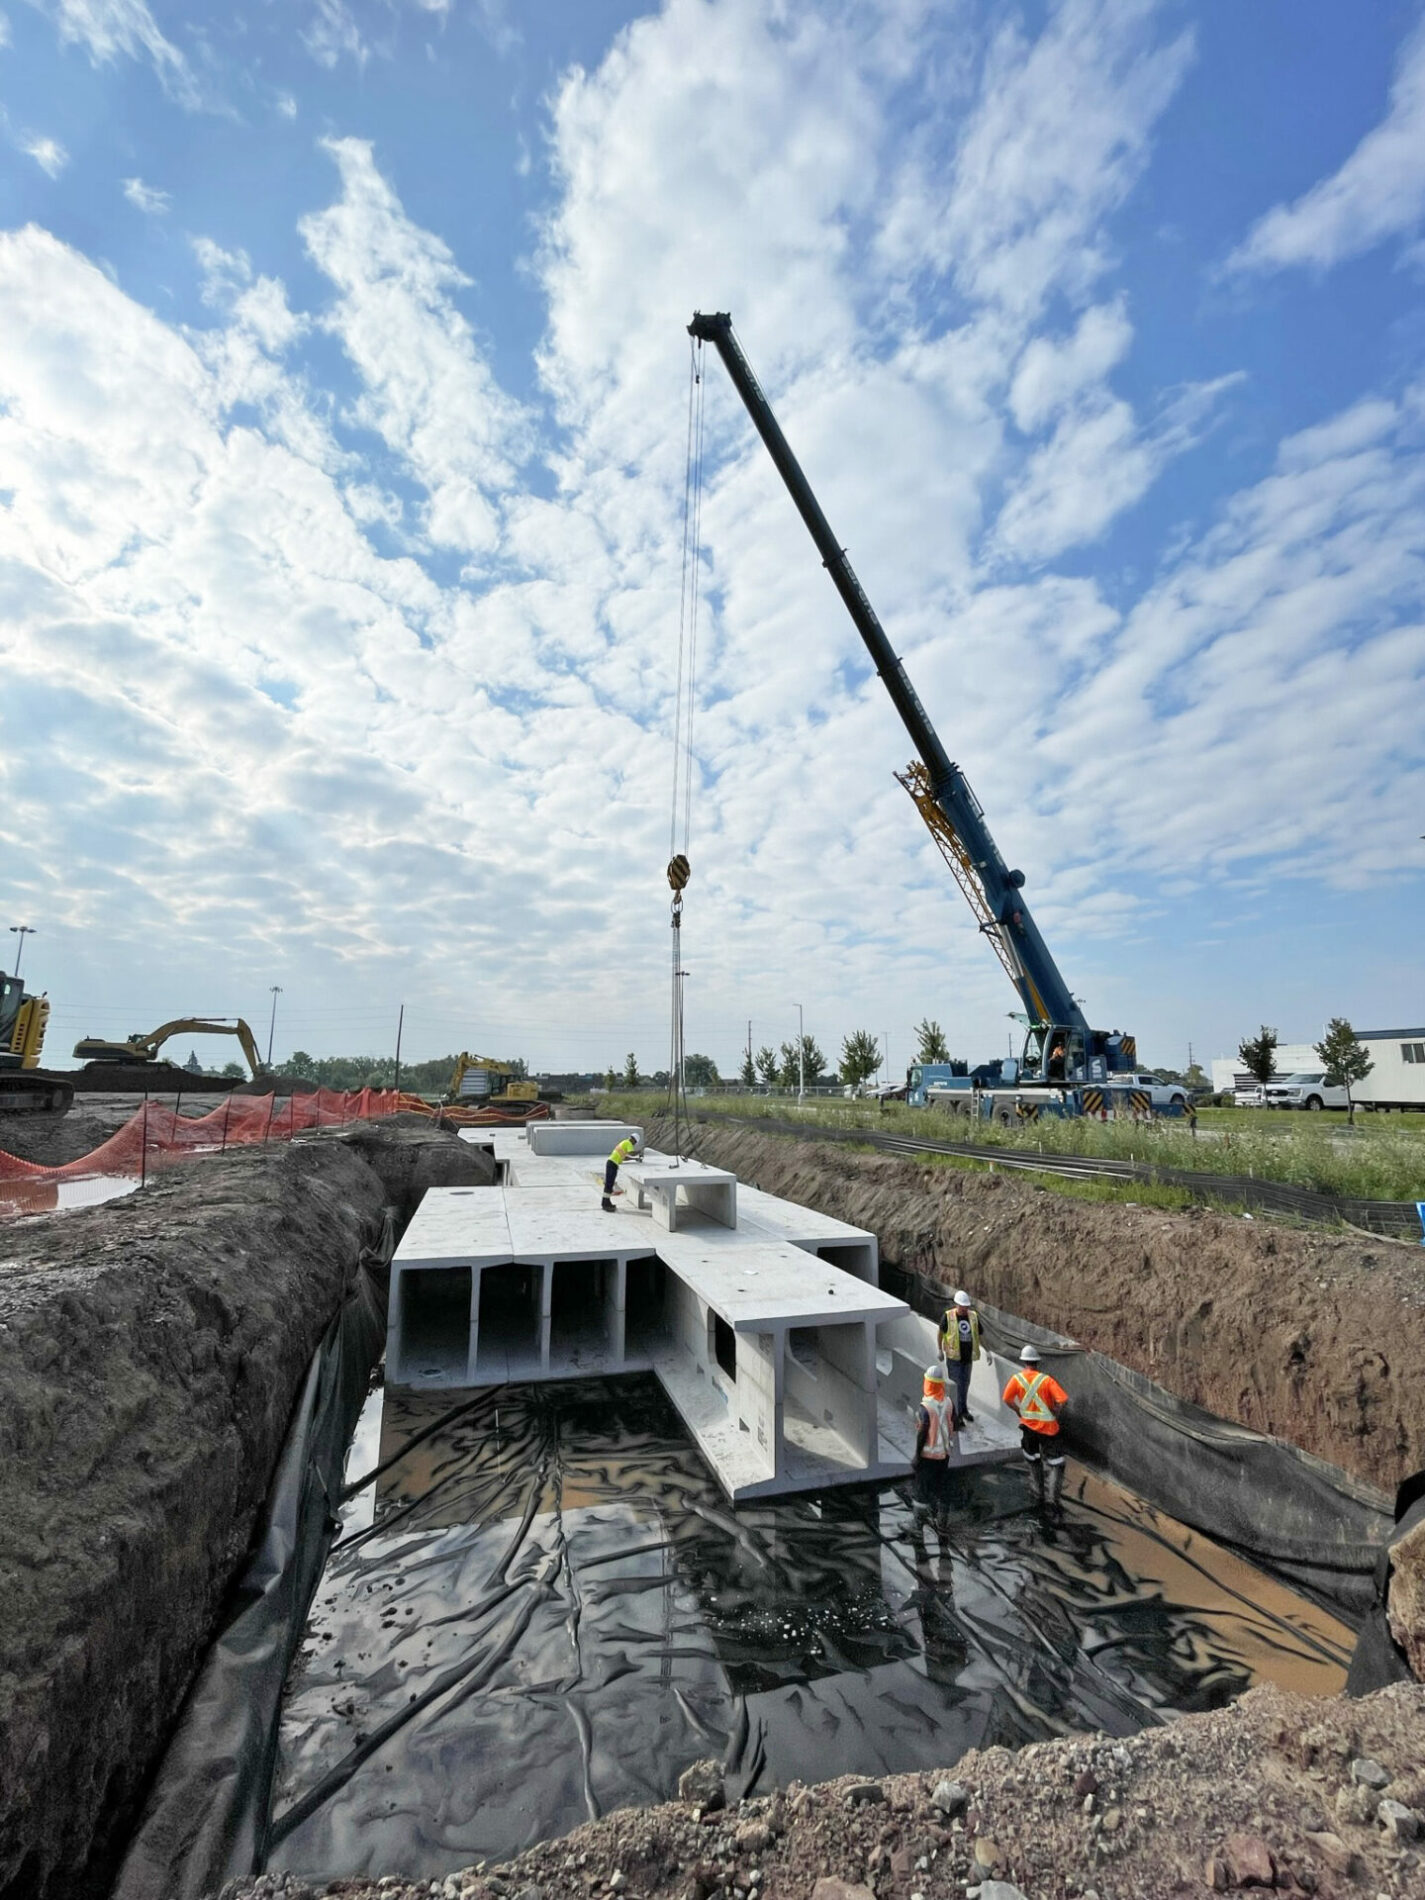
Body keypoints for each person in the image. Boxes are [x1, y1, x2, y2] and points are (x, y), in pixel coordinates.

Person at [1001, 1343, 1069, 1508]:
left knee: (1034, 1460)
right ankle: (1053, 1500)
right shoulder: (1046, 1380)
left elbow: (1007, 1399)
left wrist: (1019, 1411)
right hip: (1049, 1429)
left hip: (1028, 1428)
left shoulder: (1016, 1379)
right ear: (1037, 1362)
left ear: (1024, 1362)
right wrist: (1055, 1413)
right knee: (1056, 1464)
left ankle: (1038, 1494)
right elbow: (1063, 1399)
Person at [912, 1362, 956, 1522]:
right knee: (940, 1487)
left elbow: (923, 1432)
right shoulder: (949, 1402)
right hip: (944, 1455)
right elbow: (955, 1423)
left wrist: (917, 1456)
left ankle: (918, 1526)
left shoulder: (926, 1407)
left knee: (921, 1491)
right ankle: (942, 1521)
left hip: (928, 1456)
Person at [937, 1288, 982, 1428]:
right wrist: (939, 1349)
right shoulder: (948, 1316)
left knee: (964, 1385)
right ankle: (955, 1416)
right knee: (956, 1386)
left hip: (967, 1358)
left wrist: (989, 1351)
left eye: (966, 1306)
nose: (964, 1309)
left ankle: (963, 1410)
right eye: (962, 1306)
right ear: (956, 1304)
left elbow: (979, 1333)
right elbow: (940, 1332)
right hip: (954, 1358)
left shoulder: (973, 1316)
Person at [601, 1131, 641, 1212]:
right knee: (609, 1184)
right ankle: (605, 1204)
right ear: (634, 1141)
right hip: (612, 1164)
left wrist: (635, 1159)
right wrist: (640, 1151)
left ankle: (606, 1202)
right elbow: (632, 1153)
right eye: (634, 1143)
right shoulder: (628, 1143)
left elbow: (624, 1157)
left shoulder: (624, 1142)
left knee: (609, 1184)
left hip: (610, 1163)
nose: (633, 1145)